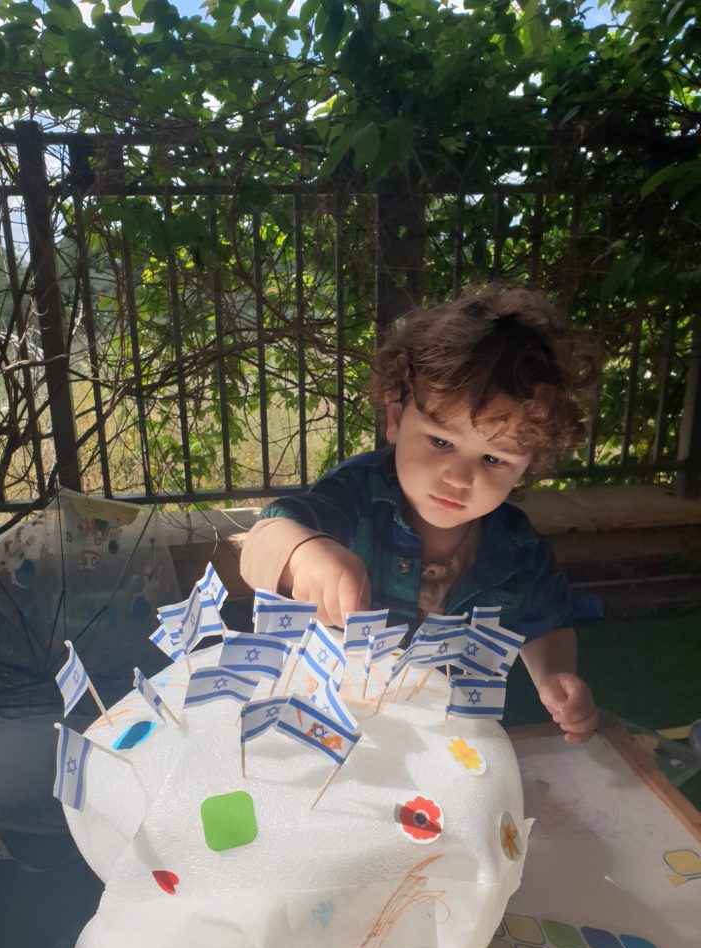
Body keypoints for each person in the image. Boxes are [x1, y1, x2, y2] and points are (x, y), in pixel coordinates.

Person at [240, 284, 599, 743]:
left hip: (442, 738)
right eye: (441, 441)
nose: (459, 477)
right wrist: (304, 553)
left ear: (529, 463)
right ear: (396, 418)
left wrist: (555, 676)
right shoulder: (357, 493)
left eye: (494, 459)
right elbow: (263, 540)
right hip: (333, 723)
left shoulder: (518, 549)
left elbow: (546, 623)